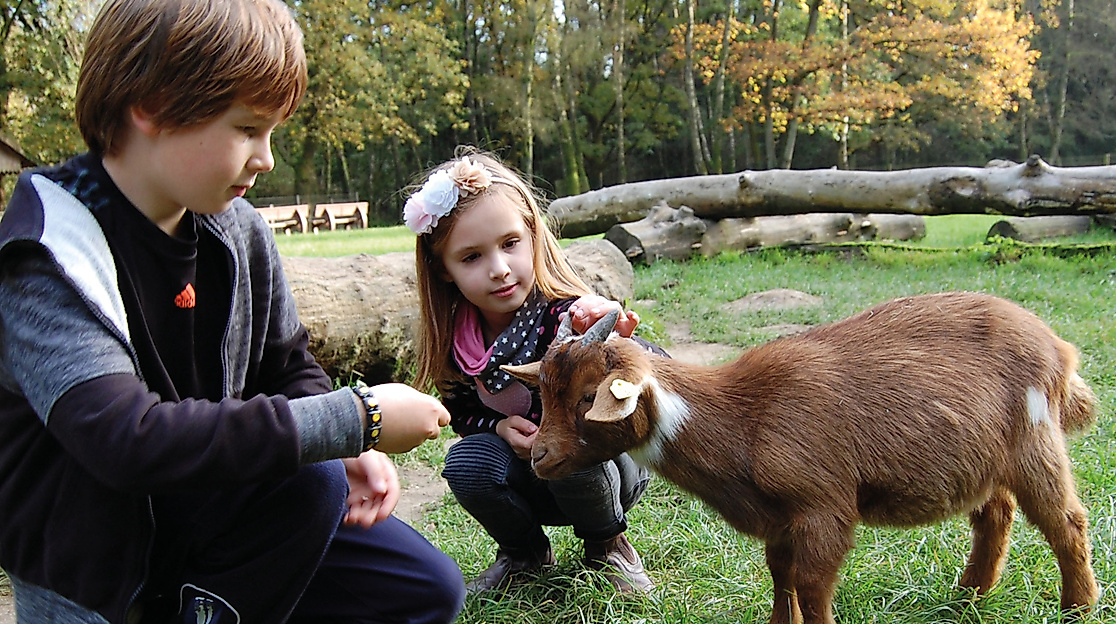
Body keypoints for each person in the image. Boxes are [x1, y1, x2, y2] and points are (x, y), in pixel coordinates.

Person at [0, 1, 465, 622]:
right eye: (247, 129)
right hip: (100, 566)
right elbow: (125, 441)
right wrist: (358, 418)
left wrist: (344, 445)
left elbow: (287, 363)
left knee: (420, 589)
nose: (266, 157)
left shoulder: (237, 228)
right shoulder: (47, 251)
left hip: (212, 513)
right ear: (153, 106)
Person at [405, 148, 662, 596]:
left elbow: (652, 370)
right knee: (467, 463)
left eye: (510, 244)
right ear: (442, 269)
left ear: (532, 236)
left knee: (571, 444)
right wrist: (500, 427)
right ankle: (524, 552)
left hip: (603, 475)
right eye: (471, 257)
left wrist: (619, 341)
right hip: (531, 478)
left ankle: (608, 544)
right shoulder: (458, 344)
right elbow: (463, 411)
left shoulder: (567, 318)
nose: (499, 269)